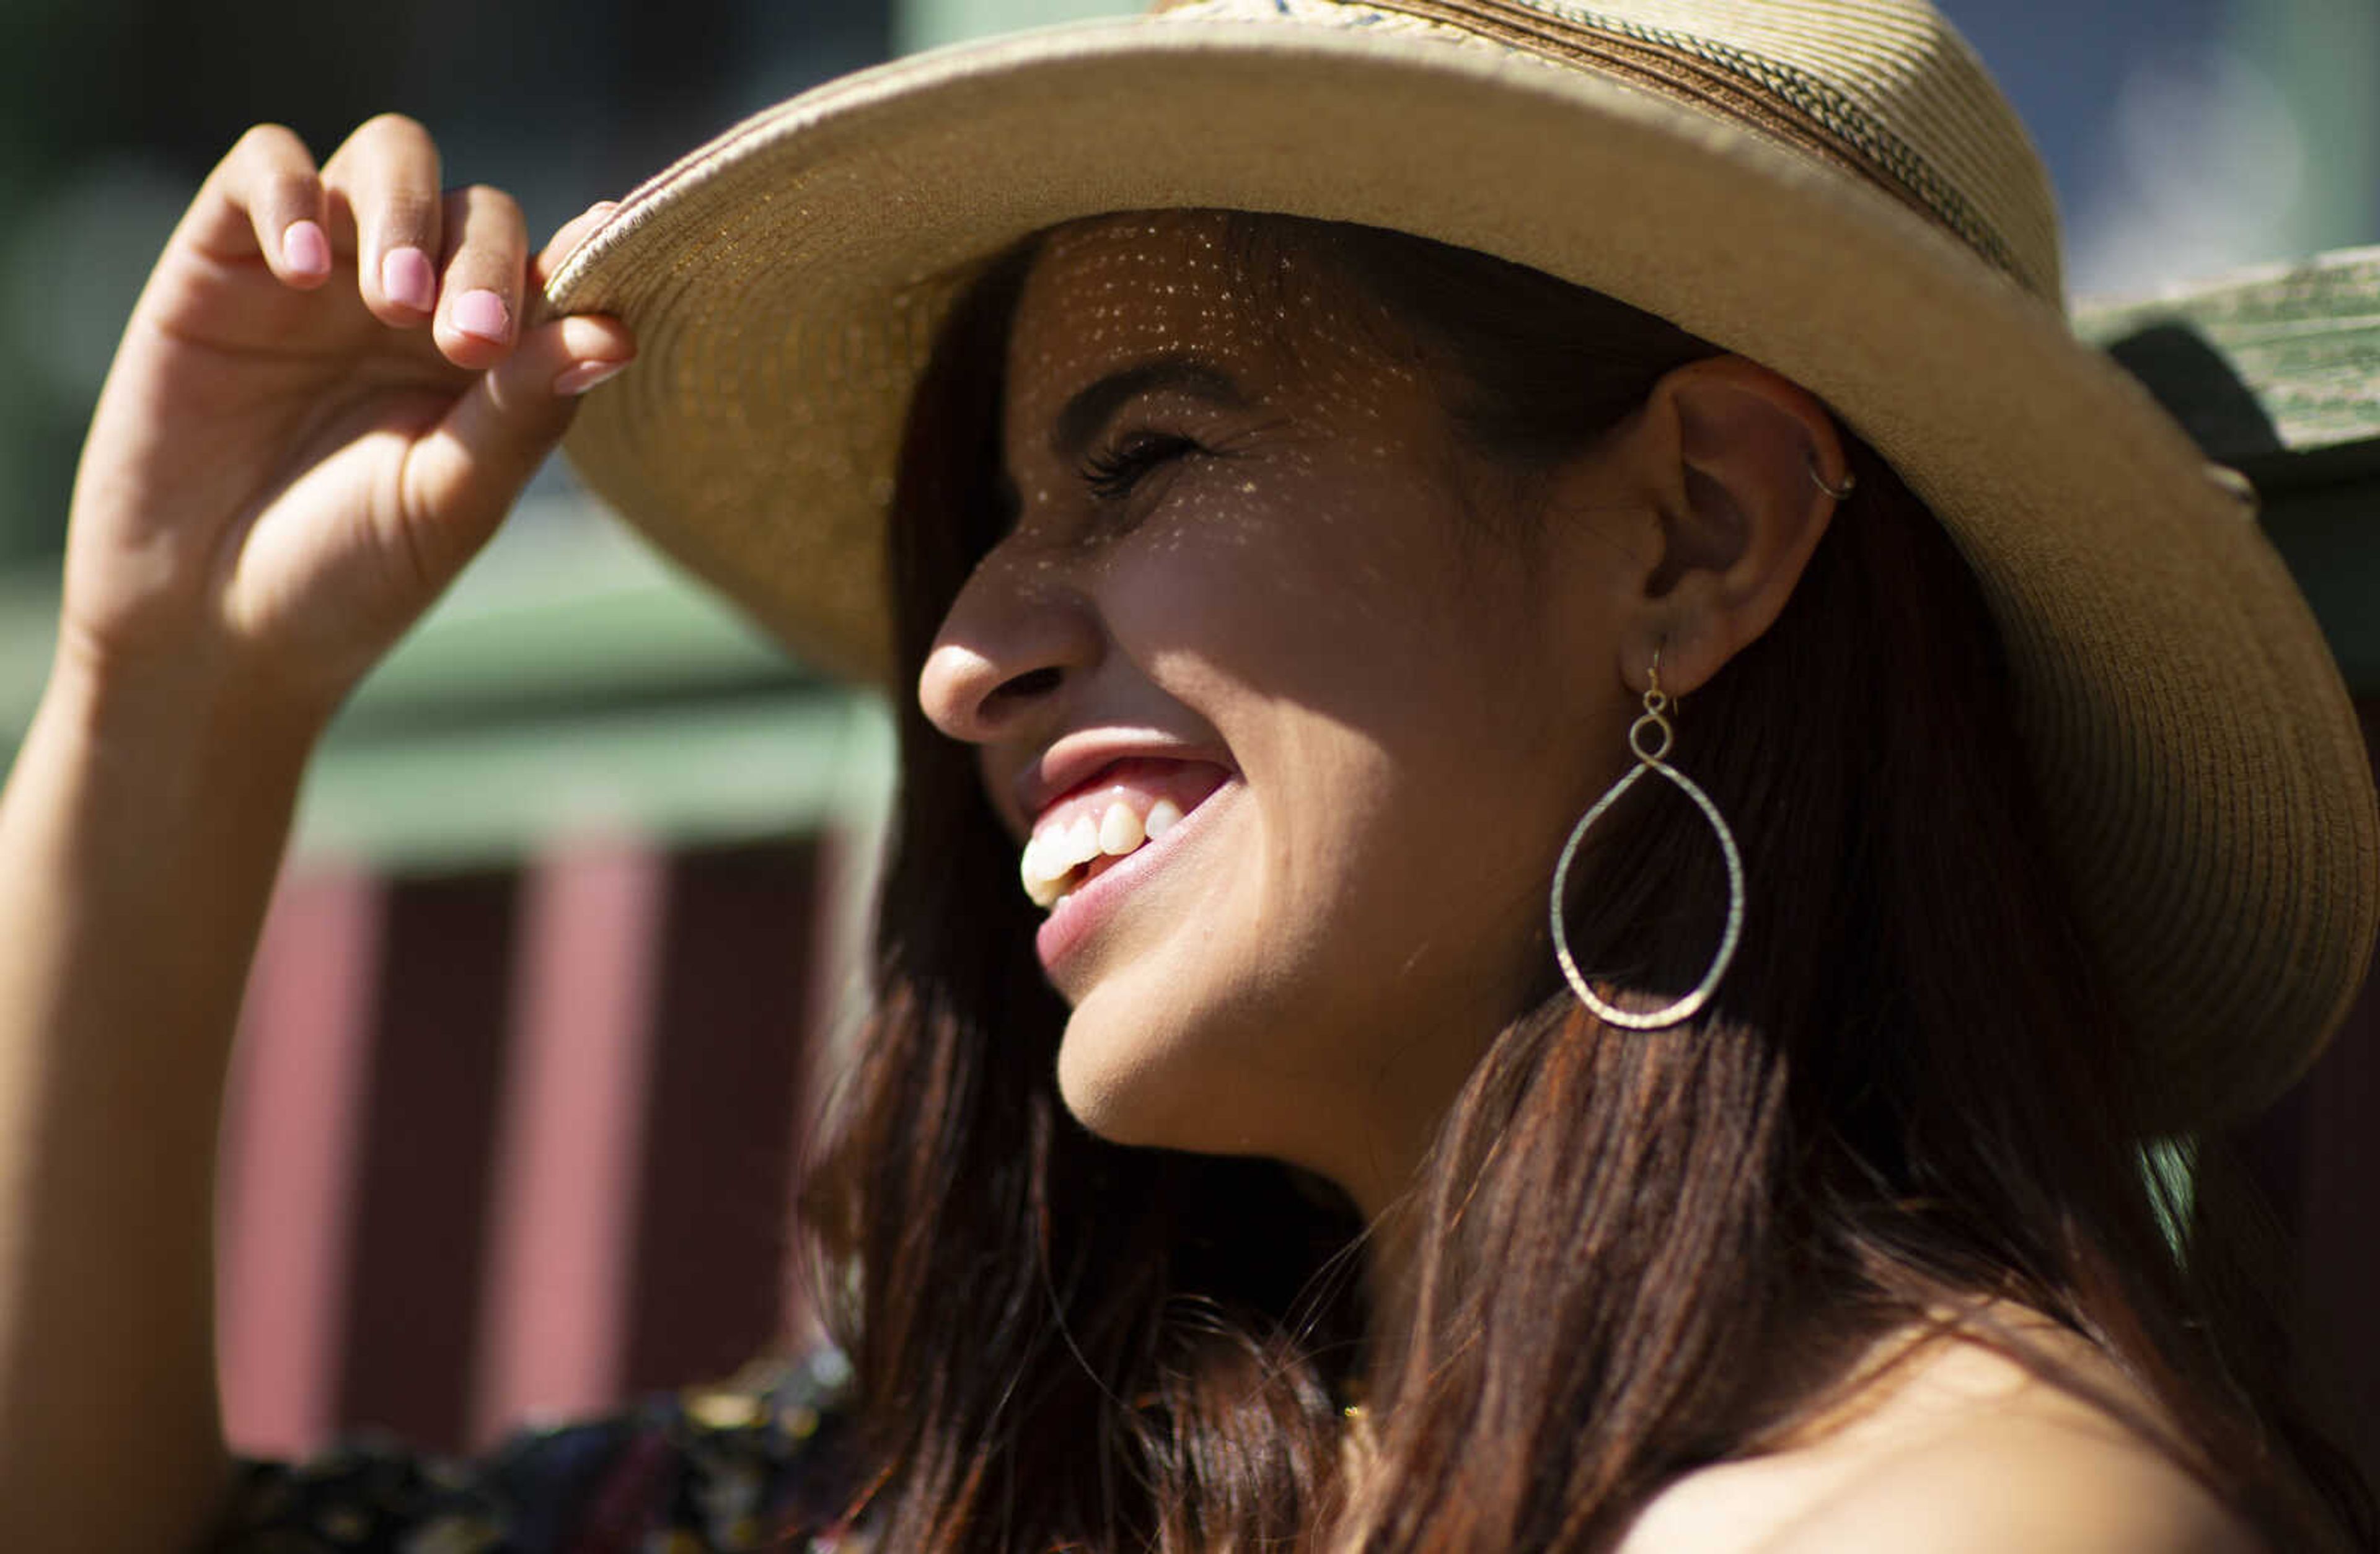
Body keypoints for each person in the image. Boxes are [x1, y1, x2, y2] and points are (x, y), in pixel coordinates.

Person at [1, 0, 2373, 1548]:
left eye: (1146, 455)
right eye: (990, 527)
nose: (958, 661)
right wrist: (165, 693)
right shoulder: (1015, 1476)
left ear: (1695, 532)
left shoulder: (1966, 1523)